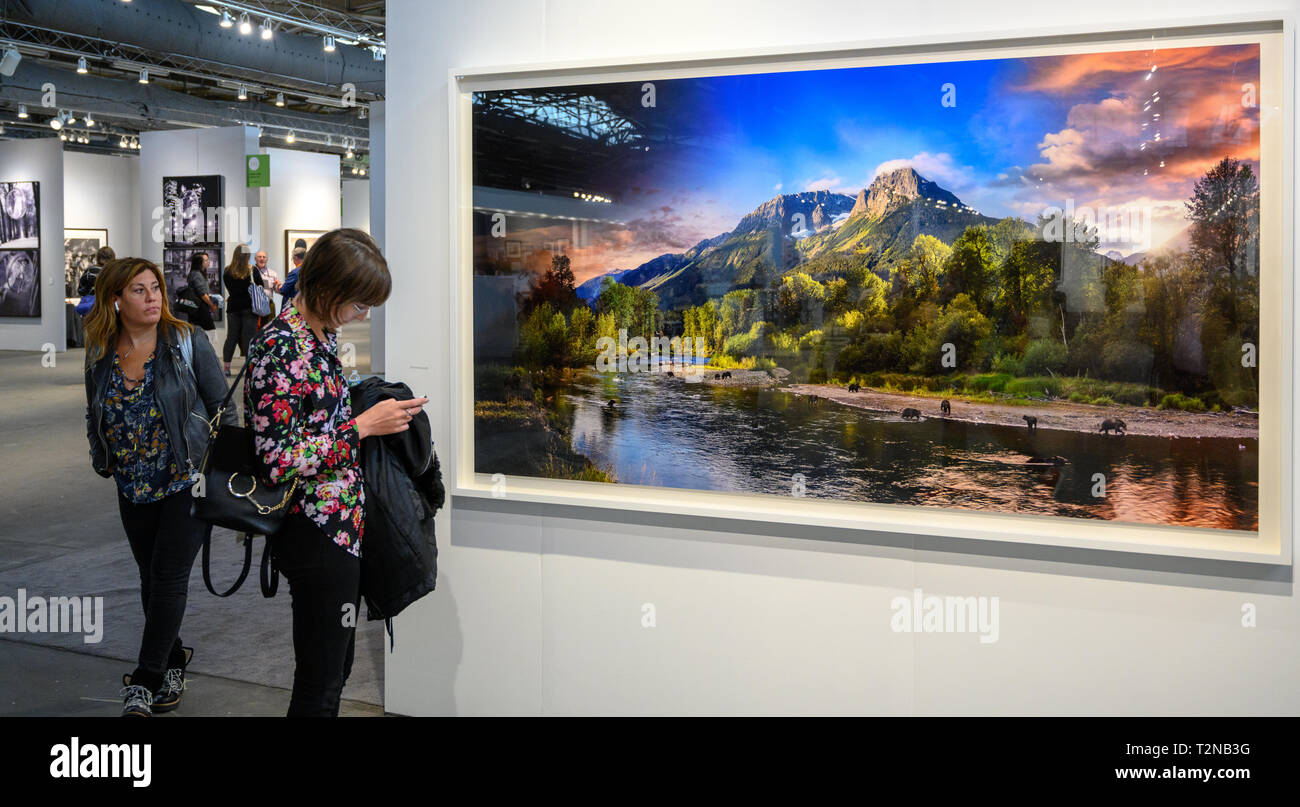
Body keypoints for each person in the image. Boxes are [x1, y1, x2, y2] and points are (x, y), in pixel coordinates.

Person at [245, 228, 424, 717]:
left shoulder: (320, 335)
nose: (363, 314)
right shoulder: (279, 346)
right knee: (321, 678)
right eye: (360, 303)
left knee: (336, 667)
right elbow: (276, 457)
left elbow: (319, 417)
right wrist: (362, 427)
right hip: (311, 530)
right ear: (328, 290)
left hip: (340, 525)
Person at [83, 257, 235, 717]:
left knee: (168, 580)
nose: (153, 298)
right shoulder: (100, 352)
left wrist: (217, 473)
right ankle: (173, 659)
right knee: (151, 581)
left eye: (155, 288)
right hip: (132, 486)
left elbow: (223, 408)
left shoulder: (187, 341)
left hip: (185, 482)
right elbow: (93, 412)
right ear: (115, 299)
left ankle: (144, 681)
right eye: (139, 290)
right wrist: (101, 457)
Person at [221, 244, 263, 376]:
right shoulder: (252, 270)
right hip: (249, 307)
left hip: (233, 307)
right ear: (247, 256)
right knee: (249, 338)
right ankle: (249, 368)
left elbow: (229, 287)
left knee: (231, 338)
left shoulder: (227, 271)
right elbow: (261, 286)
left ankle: (226, 368)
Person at [182, 252, 219, 331]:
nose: (208, 262)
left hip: (197, 309)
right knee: (207, 332)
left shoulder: (197, 273)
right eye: (206, 260)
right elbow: (202, 294)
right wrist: (212, 305)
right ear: (199, 263)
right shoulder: (197, 274)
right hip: (199, 310)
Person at [253, 249, 282, 316]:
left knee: (269, 326)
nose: (262, 259)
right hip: (254, 306)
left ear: (267, 259)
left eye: (264, 257)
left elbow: (278, 291)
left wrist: (279, 286)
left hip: (269, 305)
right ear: (255, 259)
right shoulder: (250, 272)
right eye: (259, 257)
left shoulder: (273, 273)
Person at [278, 245, 306, 314]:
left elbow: (283, 290)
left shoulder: (294, 273)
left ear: (296, 258)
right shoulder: (309, 271)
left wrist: (279, 285)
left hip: (292, 309)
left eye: (292, 258)